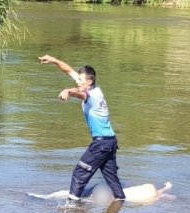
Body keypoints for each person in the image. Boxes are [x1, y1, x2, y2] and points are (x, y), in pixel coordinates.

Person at [39, 55, 125, 201]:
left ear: (89, 81)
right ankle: (120, 202)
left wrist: (68, 91)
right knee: (111, 179)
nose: (78, 82)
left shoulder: (92, 94)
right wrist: (54, 60)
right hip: (110, 142)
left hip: (101, 144)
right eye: (78, 80)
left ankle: (73, 206)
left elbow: (80, 94)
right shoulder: (93, 88)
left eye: (81, 80)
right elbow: (69, 71)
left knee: (80, 172)